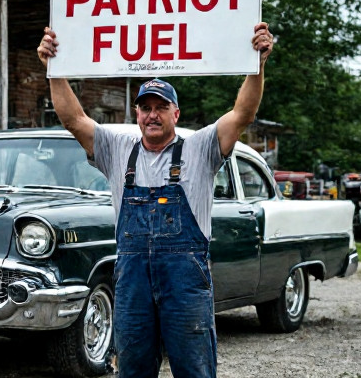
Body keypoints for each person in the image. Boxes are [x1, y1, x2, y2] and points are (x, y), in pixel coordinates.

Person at [36, 23, 274, 378]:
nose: (152, 114)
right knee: (132, 369)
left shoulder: (199, 148)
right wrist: (53, 68)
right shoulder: (118, 150)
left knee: (194, 369)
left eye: (161, 107)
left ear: (175, 114)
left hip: (185, 283)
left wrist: (257, 64)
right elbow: (73, 119)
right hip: (132, 284)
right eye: (145, 107)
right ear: (137, 114)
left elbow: (243, 114)